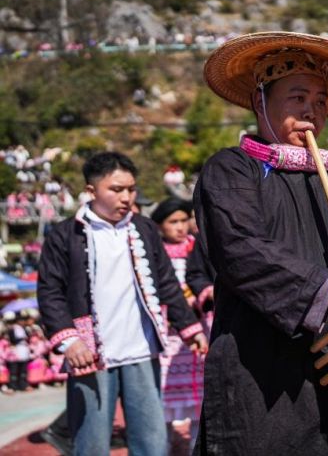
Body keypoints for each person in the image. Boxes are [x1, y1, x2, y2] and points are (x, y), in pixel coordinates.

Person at [194, 32, 328, 454]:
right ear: (261, 102)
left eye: (320, 101)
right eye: (297, 98)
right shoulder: (231, 170)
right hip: (263, 375)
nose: (311, 112)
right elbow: (241, 251)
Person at [37, 151, 208, 455]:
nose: (126, 197)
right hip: (90, 355)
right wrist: (71, 341)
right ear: (91, 191)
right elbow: (50, 292)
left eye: (131, 189)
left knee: (152, 444)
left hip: (141, 351)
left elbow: (167, 283)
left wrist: (190, 328)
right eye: (116, 189)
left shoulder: (143, 229)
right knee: (91, 443)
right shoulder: (65, 235)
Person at [151, 197, 208, 442]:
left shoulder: (199, 248)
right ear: (160, 226)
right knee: (160, 401)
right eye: (173, 222)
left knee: (200, 403)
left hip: (198, 335)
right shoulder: (152, 253)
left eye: (184, 220)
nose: (180, 227)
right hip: (166, 338)